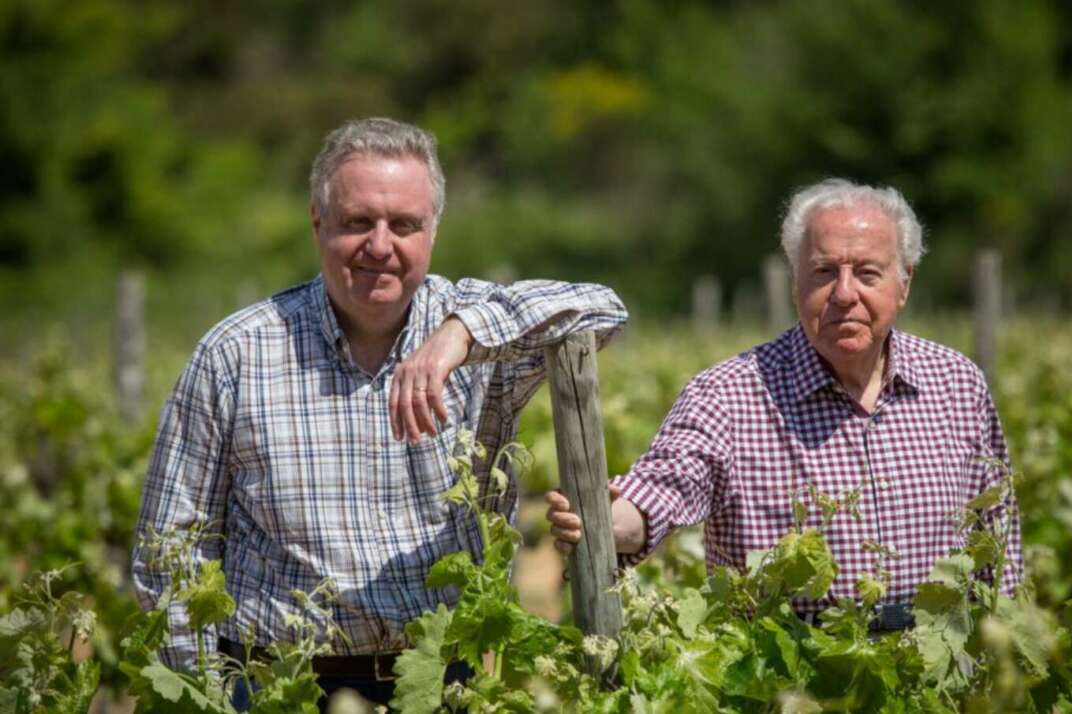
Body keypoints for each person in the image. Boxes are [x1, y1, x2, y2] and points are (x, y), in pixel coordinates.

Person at [131, 117, 627, 708]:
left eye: (405, 225)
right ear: (318, 224)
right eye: (358, 222)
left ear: (433, 232)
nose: (381, 246)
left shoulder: (479, 345)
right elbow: (169, 551)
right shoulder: (236, 353)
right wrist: (207, 697)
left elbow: (602, 310)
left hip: (439, 682)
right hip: (280, 686)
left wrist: (460, 334)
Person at [547, 178, 1021, 629]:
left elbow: (998, 540)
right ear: (796, 281)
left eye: (867, 273)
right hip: (788, 682)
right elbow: (665, 489)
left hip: (938, 677)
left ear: (905, 283)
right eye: (823, 272)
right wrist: (603, 522)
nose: (844, 293)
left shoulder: (957, 383)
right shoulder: (729, 395)